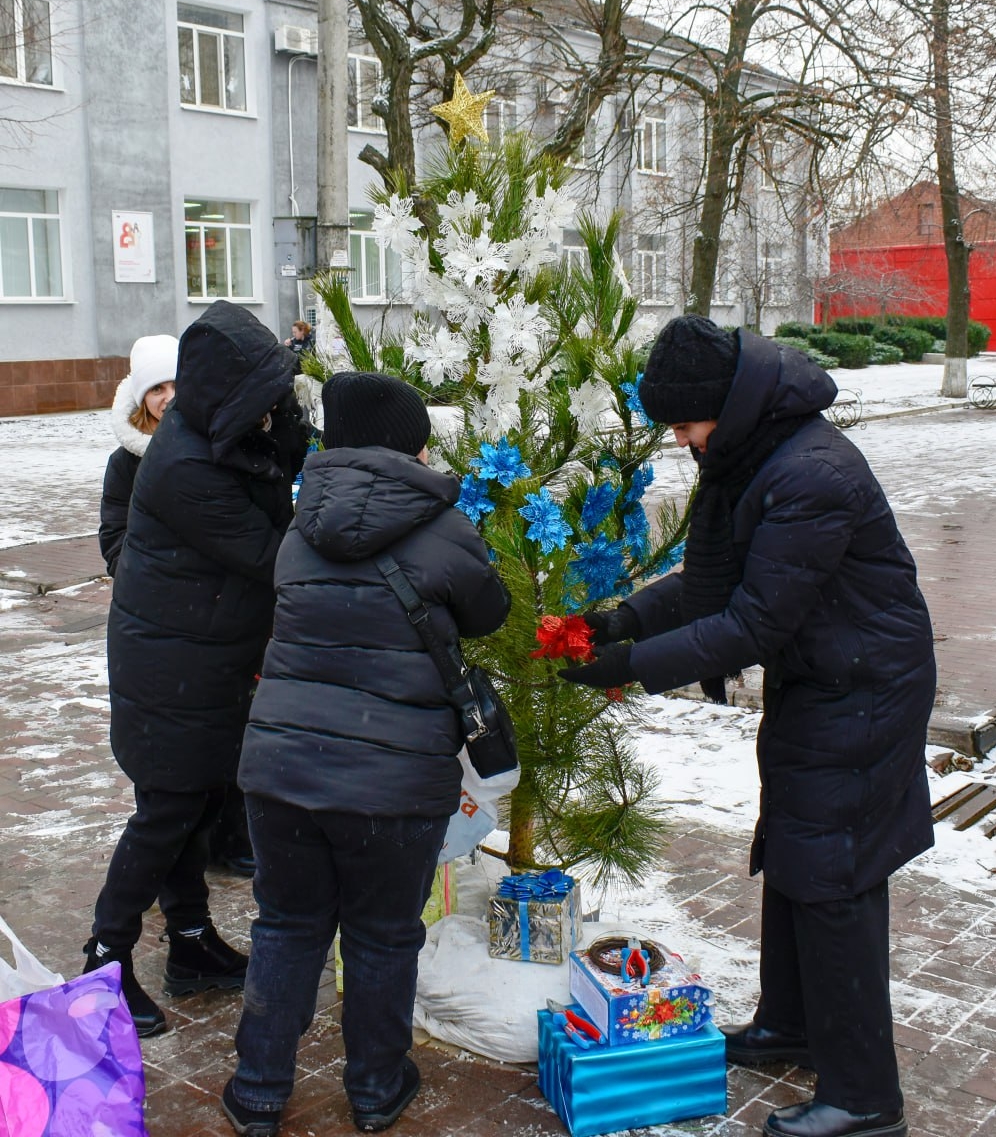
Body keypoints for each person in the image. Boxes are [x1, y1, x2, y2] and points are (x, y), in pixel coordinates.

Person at [561, 316, 934, 1137]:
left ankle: (866, 1099)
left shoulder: (811, 474)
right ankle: (793, 1024)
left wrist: (628, 669)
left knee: (831, 872)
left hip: (866, 686)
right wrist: (624, 619)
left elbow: (751, 624)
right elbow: (709, 581)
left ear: (725, 406)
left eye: (686, 423)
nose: (681, 439)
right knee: (798, 845)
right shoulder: (754, 454)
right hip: (824, 675)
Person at [221, 371, 511, 1137]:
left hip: (280, 772)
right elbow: (490, 610)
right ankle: (378, 1088)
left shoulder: (298, 525)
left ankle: (256, 1090)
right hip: (393, 784)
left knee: (286, 927)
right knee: (384, 935)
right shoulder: (443, 528)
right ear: (408, 443)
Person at [83, 300, 308, 1039]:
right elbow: (270, 551)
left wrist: (289, 417)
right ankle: (104, 960)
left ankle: (189, 945)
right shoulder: (183, 466)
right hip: (170, 667)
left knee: (197, 802)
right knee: (167, 813)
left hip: (202, 658)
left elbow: (273, 469)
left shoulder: (214, 430)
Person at [98, 334, 178, 577]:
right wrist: (139, 578)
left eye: (177, 385)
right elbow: (115, 534)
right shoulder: (125, 462)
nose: (170, 398)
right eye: (157, 388)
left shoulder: (214, 445)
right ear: (141, 397)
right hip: (152, 593)